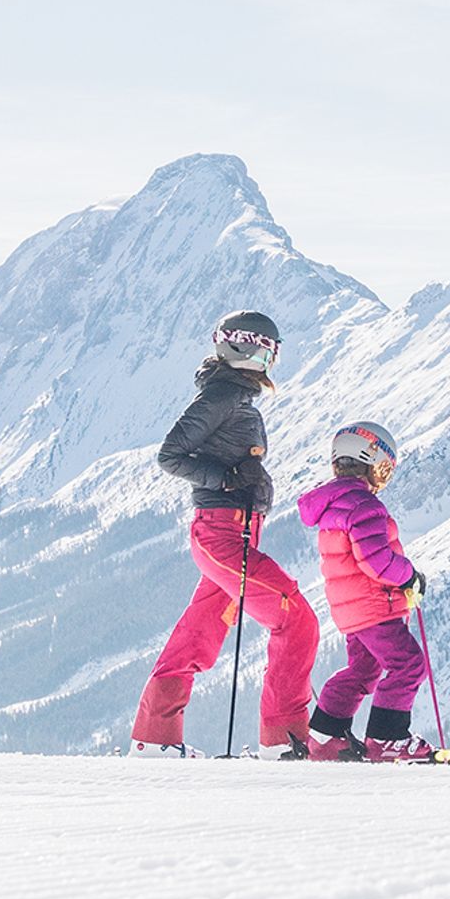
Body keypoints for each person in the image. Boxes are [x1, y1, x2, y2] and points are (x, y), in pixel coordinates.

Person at [129, 310, 320, 759]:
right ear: (239, 347)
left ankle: (154, 738)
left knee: (197, 635)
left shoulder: (236, 395)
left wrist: (238, 480)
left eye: (270, 353)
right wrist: (227, 479)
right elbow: (170, 455)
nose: (267, 361)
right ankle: (283, 739)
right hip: (221, 535)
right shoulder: (223, 395)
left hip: (235, 533)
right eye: (263, 351)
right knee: (296, 618)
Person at [297, 422, 438, 763]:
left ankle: (325, 736)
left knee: (363, 670)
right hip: (375, 606)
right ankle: (387, 738)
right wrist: (410, 577)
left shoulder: (334, 504)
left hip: (351, 609)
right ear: (370, 460)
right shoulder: (364, 506)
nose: (383, 479)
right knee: (408, 665)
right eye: (384, 469)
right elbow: (377, 560)